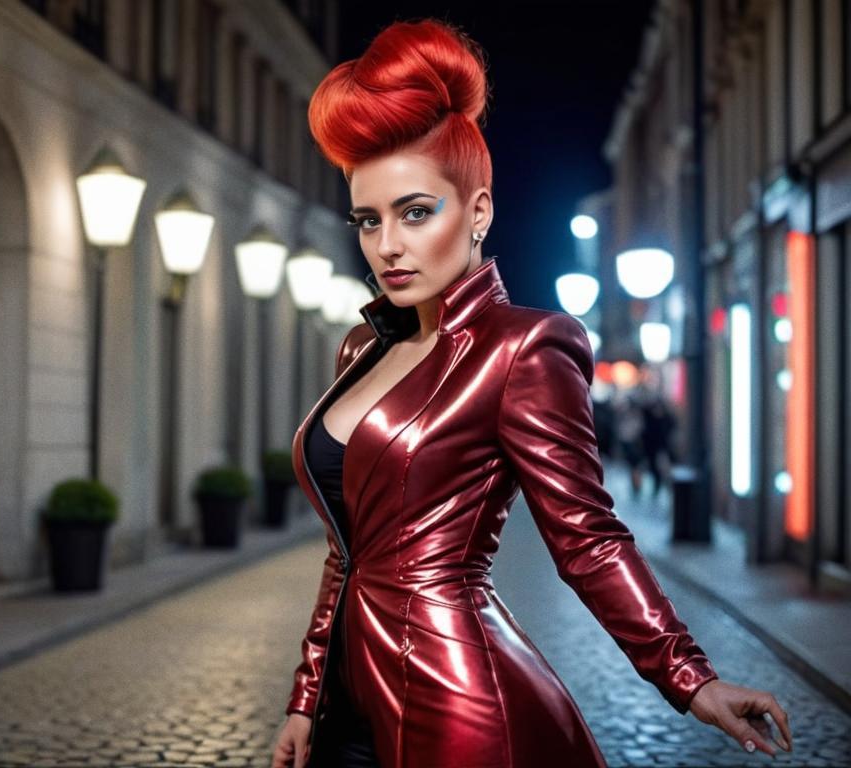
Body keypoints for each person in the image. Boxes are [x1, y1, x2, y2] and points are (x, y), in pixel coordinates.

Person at [271, 18, 793, 768]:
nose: (388, 244)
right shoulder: (363, 347)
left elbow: (586, 537)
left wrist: (691, 679)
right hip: (346, 709)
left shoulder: (525, 347)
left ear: (477, 211)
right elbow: (344, 554)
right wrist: (305, 696)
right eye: (368, 220)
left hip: (455, 698)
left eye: (417, 212)